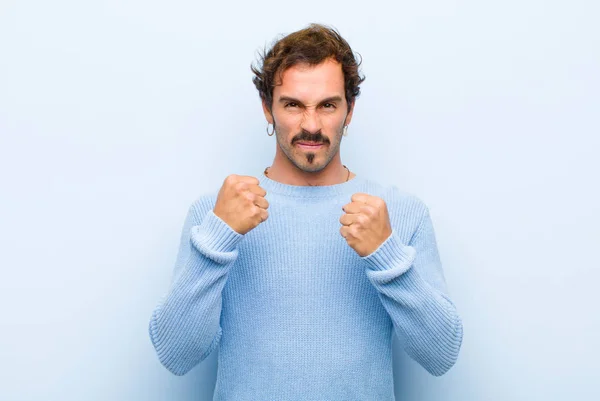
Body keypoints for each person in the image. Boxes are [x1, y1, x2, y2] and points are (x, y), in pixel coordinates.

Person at [148, 23, 463, 400]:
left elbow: (441, 355)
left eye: (328, 105)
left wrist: (387, 256)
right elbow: (175, 355)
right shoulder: (217, 212)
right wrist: (217, 239)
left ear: (350, 111)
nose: (311, 125)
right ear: (268, 108)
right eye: (293, 105)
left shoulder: (399, 213)